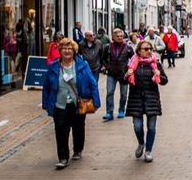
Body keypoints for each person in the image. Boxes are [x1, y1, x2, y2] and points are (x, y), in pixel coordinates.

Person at [41, 38, 100, 169]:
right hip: (60, 104)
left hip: (77, 103)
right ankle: (63, 158)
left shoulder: (82, 65)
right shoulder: (53, 66)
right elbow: (47, 87)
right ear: (60, 51)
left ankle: (78, 149)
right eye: (64, 49)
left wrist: (96, 102)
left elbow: (93, 84)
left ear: (74, 51)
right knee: (60, 130)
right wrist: (46, 103)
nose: (67, 51)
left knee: (78, 127)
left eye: (69, 49)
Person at [124, 40, 168, 162]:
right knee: (138, 126)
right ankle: (141, 143)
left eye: (150, 49)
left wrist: (159, 75)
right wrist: (127, 75)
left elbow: (164, 81)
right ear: (138, 51)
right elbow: (124, 80)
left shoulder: (155, 63)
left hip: (151, 99)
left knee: (151, 128)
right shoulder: (132, 63)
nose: (149, 51)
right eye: (146, 49)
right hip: (136, 99)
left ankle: (148, 151)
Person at [101, 29, 133, 120]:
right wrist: (107, 67)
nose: (120, 38)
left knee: (123, 94)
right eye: (117, 36)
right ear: (113, 37)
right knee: (110, 92)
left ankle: (121, 110)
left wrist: (129, 70)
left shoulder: (128, 47)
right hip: (111, 74)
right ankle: (109, 112)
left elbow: (133, 60)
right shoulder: (107, 47)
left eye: (121, 36)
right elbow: (103, 59)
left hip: (124, 74)